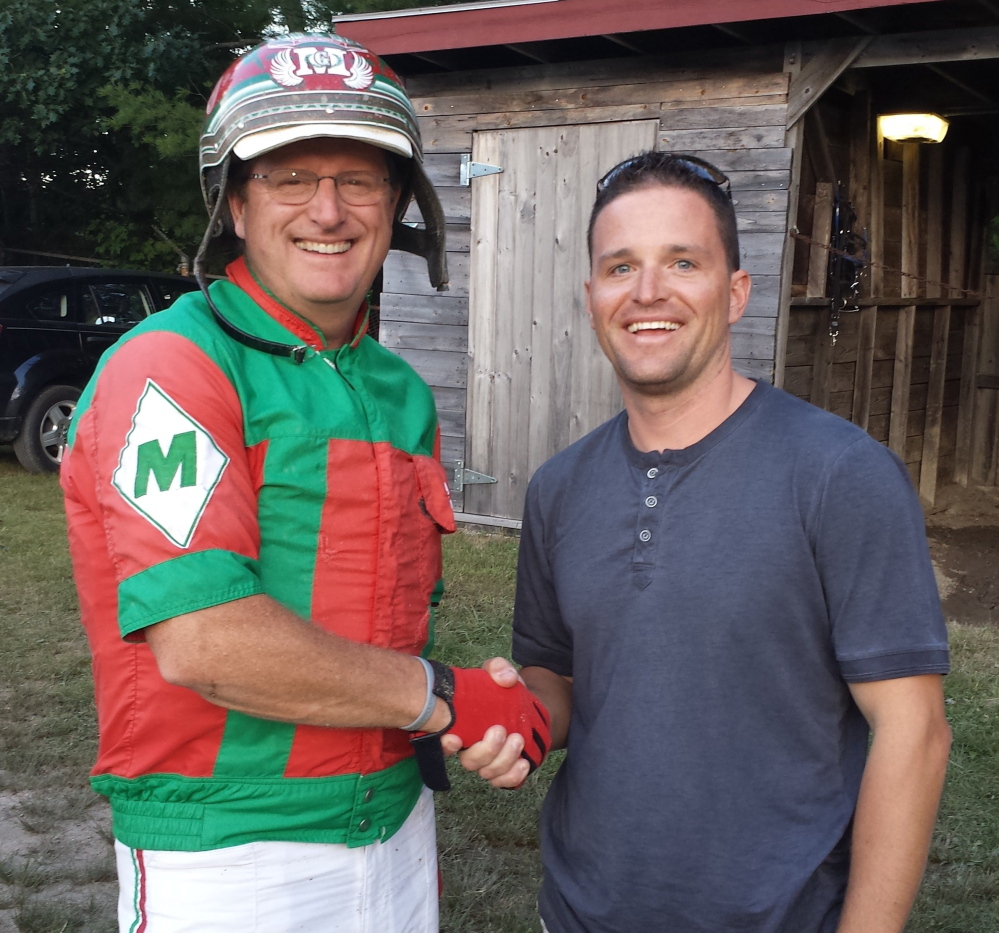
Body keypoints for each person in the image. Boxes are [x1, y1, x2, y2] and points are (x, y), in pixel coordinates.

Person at [60, 34, 548, 933]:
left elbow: (386, 625)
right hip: (231, 857)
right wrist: (447, 694)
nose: (328, 210)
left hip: (395, 824)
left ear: (397, 203)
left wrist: (473, 716)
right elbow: (204, 640)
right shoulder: (171, 366)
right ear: (237, 205)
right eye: (291, 178)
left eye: (359, 179)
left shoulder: (395, 389)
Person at [471, 151, 952, 933]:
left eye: (681, 262)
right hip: (581, 911)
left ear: (734, 294)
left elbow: (914, 730)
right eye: (620, 266)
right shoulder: (558, 487)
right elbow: (555, 678)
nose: (647, 291)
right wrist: (514, 717)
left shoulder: (839, 474)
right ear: (592, 296)